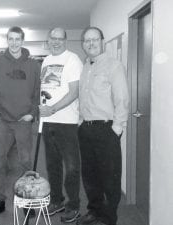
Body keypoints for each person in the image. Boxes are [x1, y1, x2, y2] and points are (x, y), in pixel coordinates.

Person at [0, 26, 41, 219]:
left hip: (23, 122)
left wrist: (32, 114)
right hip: (2, 123)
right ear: (7, 40)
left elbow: (37, 94)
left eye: (18, 39)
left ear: (22, 40)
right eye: (11, 39)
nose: (14, 42)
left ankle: (27, 202)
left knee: (25, 163)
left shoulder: (33, 65)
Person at [77, 27, 129, 225]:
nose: (91, 43)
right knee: (90, 175)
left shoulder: (113, 66)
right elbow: (84, 97)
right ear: (83, 44)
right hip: (86, 129)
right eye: (87, 40)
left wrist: (117, 127)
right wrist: (81, 122)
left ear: (102, 42)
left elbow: (122, 98)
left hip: (106, 129)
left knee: (109, 176)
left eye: (95, 39)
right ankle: (94, 211)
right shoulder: (86, 67)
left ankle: (109, 218)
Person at [39, 27, 83, 223]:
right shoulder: (47, 61)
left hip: (66, 122)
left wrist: (53, 109)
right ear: (48, 40)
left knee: (72, 167)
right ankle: (57, 201)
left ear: (65, 40)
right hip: (48, 123)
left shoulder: (72, 60)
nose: (56, 41)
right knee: (52, 165)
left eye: (60, 38)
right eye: (52, 38)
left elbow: (74, 92)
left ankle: (74, 206)